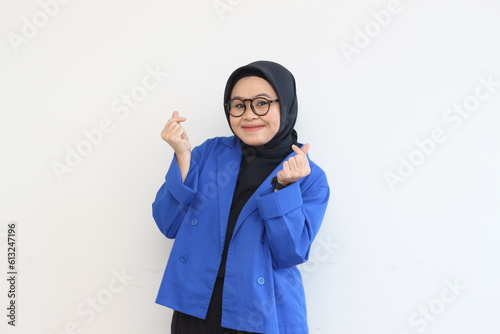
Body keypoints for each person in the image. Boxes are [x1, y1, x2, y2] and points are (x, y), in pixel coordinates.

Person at [152, 60, 330, 334]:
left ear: (285, 104)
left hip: (261, 310)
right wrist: (182, 156)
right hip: (197, 307)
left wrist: (283, 188)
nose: (249, 115)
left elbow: (290, 252)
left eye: (262, 103)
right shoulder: (208, 153)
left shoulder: (308, 175)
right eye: (238, 105)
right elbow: (168, 224)